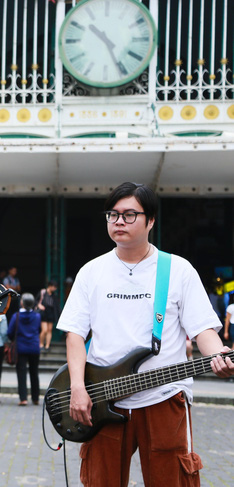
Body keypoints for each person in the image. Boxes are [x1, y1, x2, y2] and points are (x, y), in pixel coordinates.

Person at [57, 182, 234, 486]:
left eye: (128, 215)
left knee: (172, 480)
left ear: (150, 220)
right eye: (112, 215)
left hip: (164, 396)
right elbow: (74, 334)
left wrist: (218, 356)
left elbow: (203, 328)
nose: (118, 222)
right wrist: (77, 387)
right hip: (101, 399)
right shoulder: (91, 272)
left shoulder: (178, 270)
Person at [8, 293, 41, 406]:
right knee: (34, 372)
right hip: (34, 347)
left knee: (21, 373)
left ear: (22, 303)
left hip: (20, 348)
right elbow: (39, 329)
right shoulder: (37, 316)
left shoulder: (16, 316)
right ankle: (35, 398)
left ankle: (23, 398)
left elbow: (10, 332)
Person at [36, 280, 59, 352]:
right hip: (44, 312)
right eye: (54, 286)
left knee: (49, 330)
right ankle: (41, 344)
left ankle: (47, 345)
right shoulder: (43, 292)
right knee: (44, 330)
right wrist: (39, 305)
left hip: (51, 313)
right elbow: (36, 301)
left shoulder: (54, 295)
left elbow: (56, 306)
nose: (55, 288)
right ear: (50, 286)